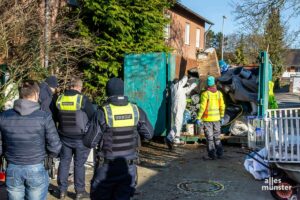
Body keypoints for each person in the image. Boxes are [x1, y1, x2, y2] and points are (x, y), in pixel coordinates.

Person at [84, 78, 154, 200]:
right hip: (128, 168)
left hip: (106, 169)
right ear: (122, 92)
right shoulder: (136, 110)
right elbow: (149, 134)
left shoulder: (103, 112)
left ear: (108, 92)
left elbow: (90, 142)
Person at [0, 80, 62, 200]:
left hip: (13, 167)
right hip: (36, 166)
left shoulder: (4, 116)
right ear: (36, 94)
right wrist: (49, 157)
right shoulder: (44, 117)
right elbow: (55, 145)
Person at [55, 77, 95, 199]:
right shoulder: (82, 99)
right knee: (79, 164)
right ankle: (79, 192)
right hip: (80, 138)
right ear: (78, 87)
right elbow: (92, 115)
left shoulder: (59, 99)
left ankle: (62, 191)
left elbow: (56, 117)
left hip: (64, 137)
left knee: (64, 162)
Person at [196, 76, 225, 159]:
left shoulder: (205, 94)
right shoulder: (219, 93)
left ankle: (212, 155)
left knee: (210, 138)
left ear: (207, 85)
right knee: (217, 137)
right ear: (214, 84)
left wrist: (198, 117)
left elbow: (202, 107)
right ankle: (220, 154)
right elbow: (222, 106)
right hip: (217, 119)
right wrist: (222, 116)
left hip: (207, 119)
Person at [165, 76, 197, 148]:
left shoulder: (179, 89)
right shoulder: (176, 86)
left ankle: (170, 137)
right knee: (178, 122)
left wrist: (194, 84)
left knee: (178, 123)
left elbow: (187, 89)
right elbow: (183, 81)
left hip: (178, 107)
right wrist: (188, 75)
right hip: (178, 107)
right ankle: (175, 138)